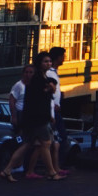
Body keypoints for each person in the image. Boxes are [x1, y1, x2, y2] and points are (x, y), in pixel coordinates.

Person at [20, 52, 65, 181]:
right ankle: (51, 171)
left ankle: (10, 169)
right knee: (46, 143)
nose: (49, 64)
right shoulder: (39, 78)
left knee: (34, 144)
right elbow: (40, 96)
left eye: (50, 61)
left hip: (41, 115)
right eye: (46, 61)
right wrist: (49, 90)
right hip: (40, 116)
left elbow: (48, 93)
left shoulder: (44, 77)